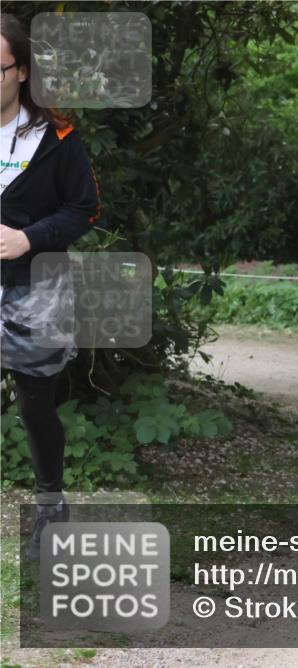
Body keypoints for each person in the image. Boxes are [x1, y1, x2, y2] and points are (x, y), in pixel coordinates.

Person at [0, 14, 101, 560]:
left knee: (35, 403)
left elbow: (85, 208)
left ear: (21, 71)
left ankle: (49, 505)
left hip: (34, 288)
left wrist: (29, 238)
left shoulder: (57, 134)